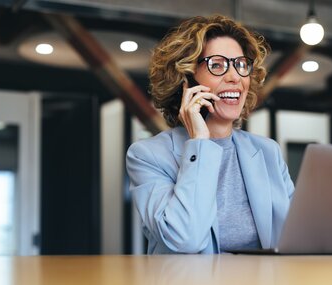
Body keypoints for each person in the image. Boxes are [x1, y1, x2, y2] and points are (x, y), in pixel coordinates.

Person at [126, 15, 295, 254]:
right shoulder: (147, 156)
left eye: (241, 65)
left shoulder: (269, 152)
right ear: (186, 80)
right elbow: (185, 239)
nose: (235, 77)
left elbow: (297, 236)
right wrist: (199, 145)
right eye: (217, 65)